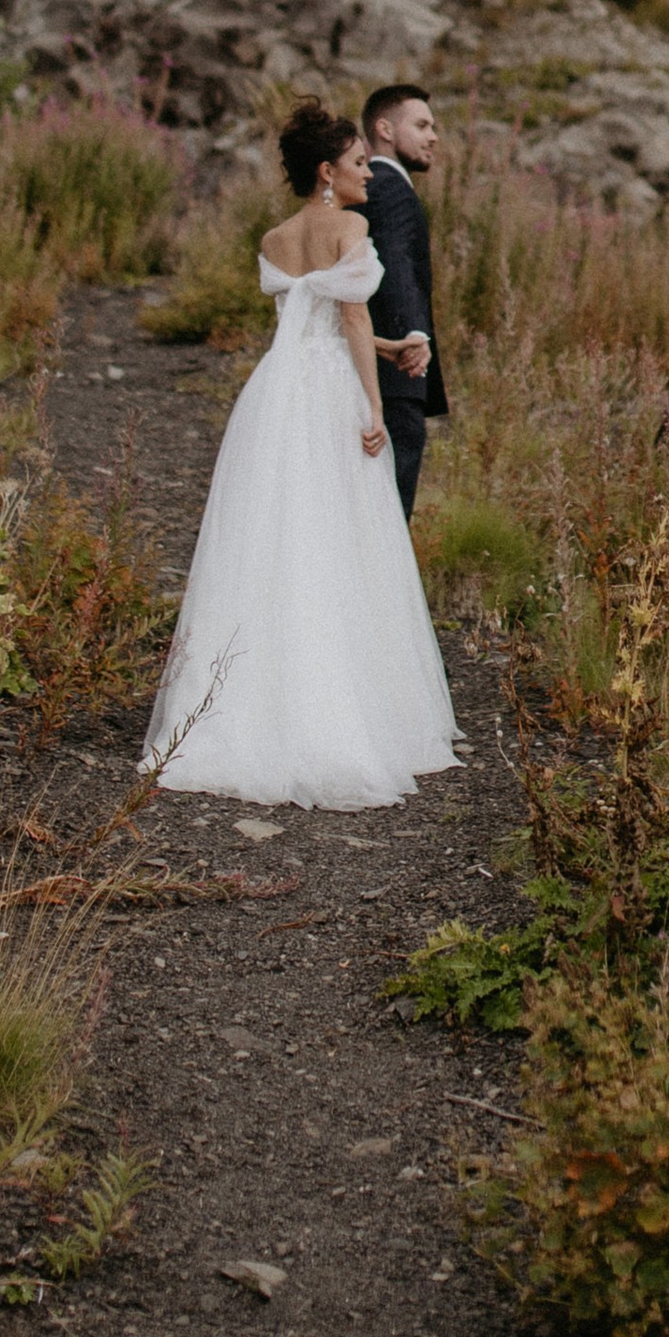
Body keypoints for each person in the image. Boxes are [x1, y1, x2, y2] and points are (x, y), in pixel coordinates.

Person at [139, 100, 459, 810]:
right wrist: (375, 410)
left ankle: (239, 707)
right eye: (354, 165)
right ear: (327, 172)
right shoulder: (349, 226)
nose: (366, 178)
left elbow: (305, 324)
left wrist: (386, 343)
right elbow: (347, 317)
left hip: (276, 394)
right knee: (340, 536)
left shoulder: (276, 237)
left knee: (274, 535)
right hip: (329, 396)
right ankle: (341, 708)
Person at [359, 83, 446, 521]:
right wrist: (413, 333)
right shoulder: (391, 189)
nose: (433, 136)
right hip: (395, 374)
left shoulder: (365, 189)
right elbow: (395, 264)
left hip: (372, 368)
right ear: (385, 129)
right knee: (388, 512)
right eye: (422, 125)